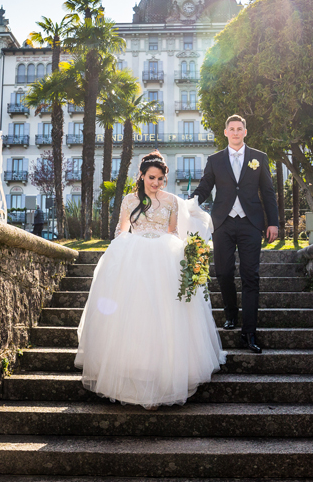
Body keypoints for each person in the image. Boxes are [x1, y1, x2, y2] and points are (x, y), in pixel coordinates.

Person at [75, 151, 226, 409]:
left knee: (166, 314)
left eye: (160, 179)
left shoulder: (171, 202)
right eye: (151, 177)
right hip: (134, 255)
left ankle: (164, 379)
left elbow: (173, 231)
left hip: (165, 256)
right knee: (136, 316)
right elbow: (122, 231)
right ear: (142, 175)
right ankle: (135, 377)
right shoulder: (129, 200)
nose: (155, 183)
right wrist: (119, 254)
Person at [190, 115, 279, 354]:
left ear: (245, 132)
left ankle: (249, 333)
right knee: (223, 271)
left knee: (251, 276)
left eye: (240, 129)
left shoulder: (259, 158)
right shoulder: (215, 160)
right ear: (226, 132)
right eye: (232, 129)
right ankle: (230, 312)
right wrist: (191, 204)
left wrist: (273, 223)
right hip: (223, 223)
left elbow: (268, 192)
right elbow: (205, 187)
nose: (236, 132)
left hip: (251, 223)